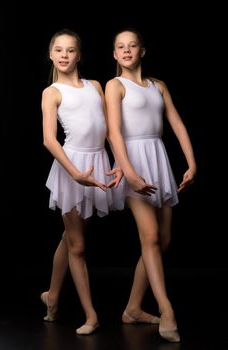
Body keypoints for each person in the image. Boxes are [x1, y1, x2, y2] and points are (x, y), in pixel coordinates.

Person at [105, 28, 197, 343]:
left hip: (158, 159)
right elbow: (113, 132)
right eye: (121, 47)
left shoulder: (158, 86)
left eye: (132, 45)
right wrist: (128, 171)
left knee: (164, 239)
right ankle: (166, 309)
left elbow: (176, 122)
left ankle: (132, 308)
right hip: (132, 161)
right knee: (151, 236)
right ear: (115, 55)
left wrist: (191, 162)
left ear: (142, 51)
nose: (127, 50)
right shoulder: (115, 86)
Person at [40, 28, 122, 335]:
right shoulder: (52, 92)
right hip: (71, 167)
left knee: (70, 237)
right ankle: (91, 315)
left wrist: (118, 163)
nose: (64, 55)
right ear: (51, 55)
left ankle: (52, 296)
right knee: (77, 244)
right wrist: (74, 173)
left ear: (79, 55)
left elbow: (108, 128)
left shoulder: (96, 86)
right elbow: (49, 139)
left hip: (98, 162)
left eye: (70, 50)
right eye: (58, 50)